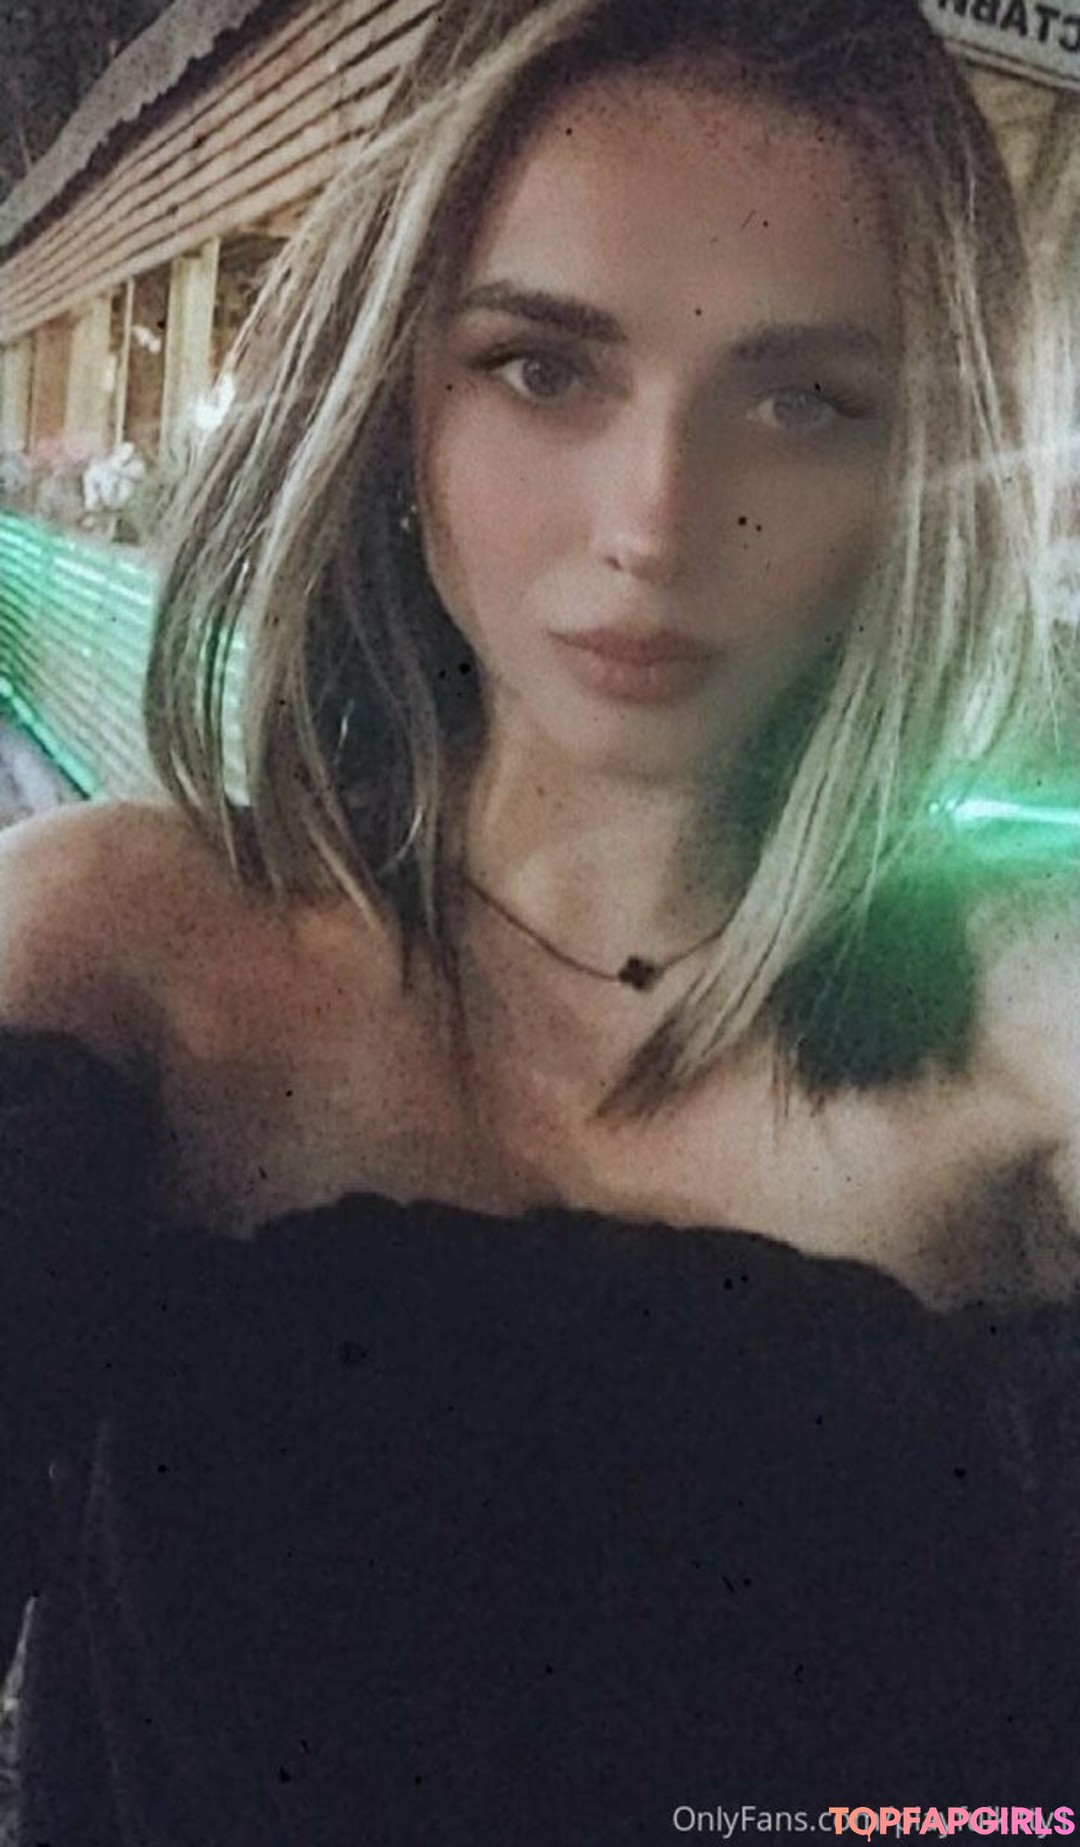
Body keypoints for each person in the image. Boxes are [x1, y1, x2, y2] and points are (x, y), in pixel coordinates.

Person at [0, 0, 1078, 1838]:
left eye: (803, 400)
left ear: (926, 468)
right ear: (387, 391)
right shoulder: (119, 955)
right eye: (542, 368)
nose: (655, 522)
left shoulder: (1027, 1037)